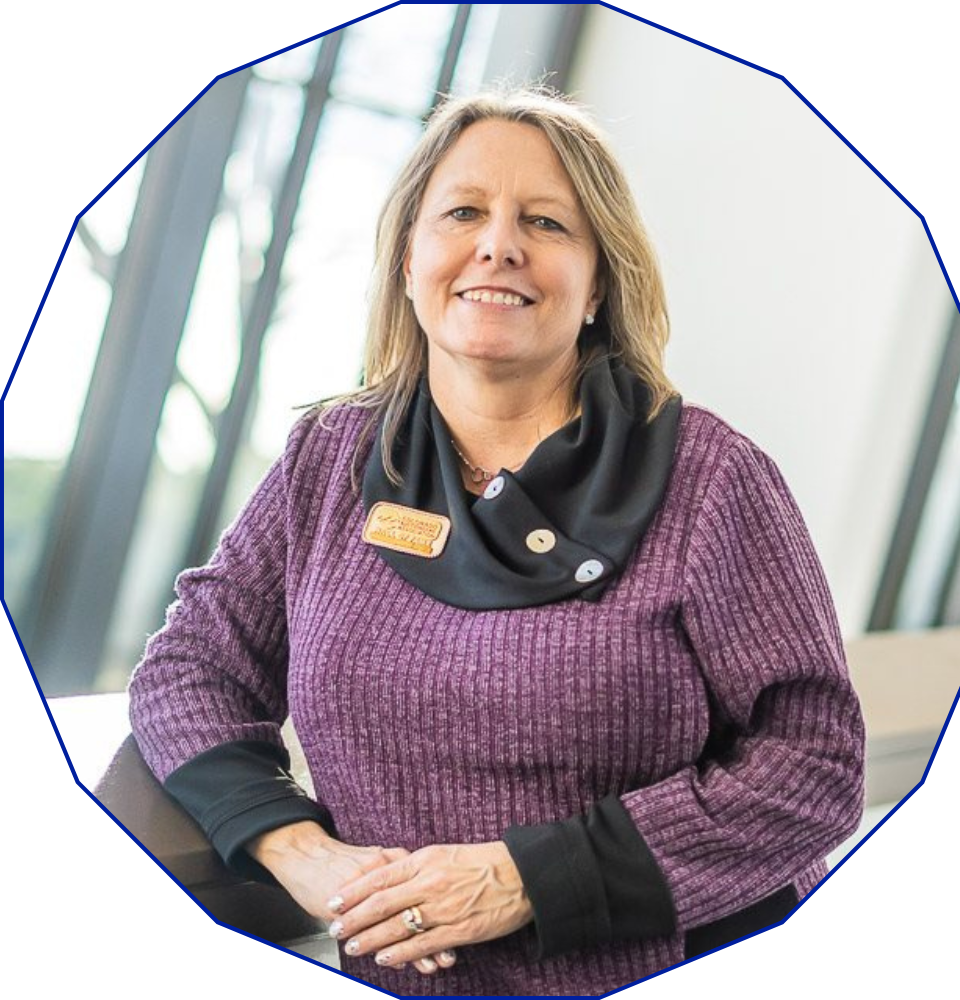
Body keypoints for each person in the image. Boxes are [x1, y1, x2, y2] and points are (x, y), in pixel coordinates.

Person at [128, 86, 866, 996]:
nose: (499, 244)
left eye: (547, 223)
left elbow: (815, 764)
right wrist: (296, 848)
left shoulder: (712, 477)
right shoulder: (329, 460)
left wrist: (526, 880)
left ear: (599, 282)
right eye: (465, 212)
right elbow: (190, 669)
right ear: (409, 260)